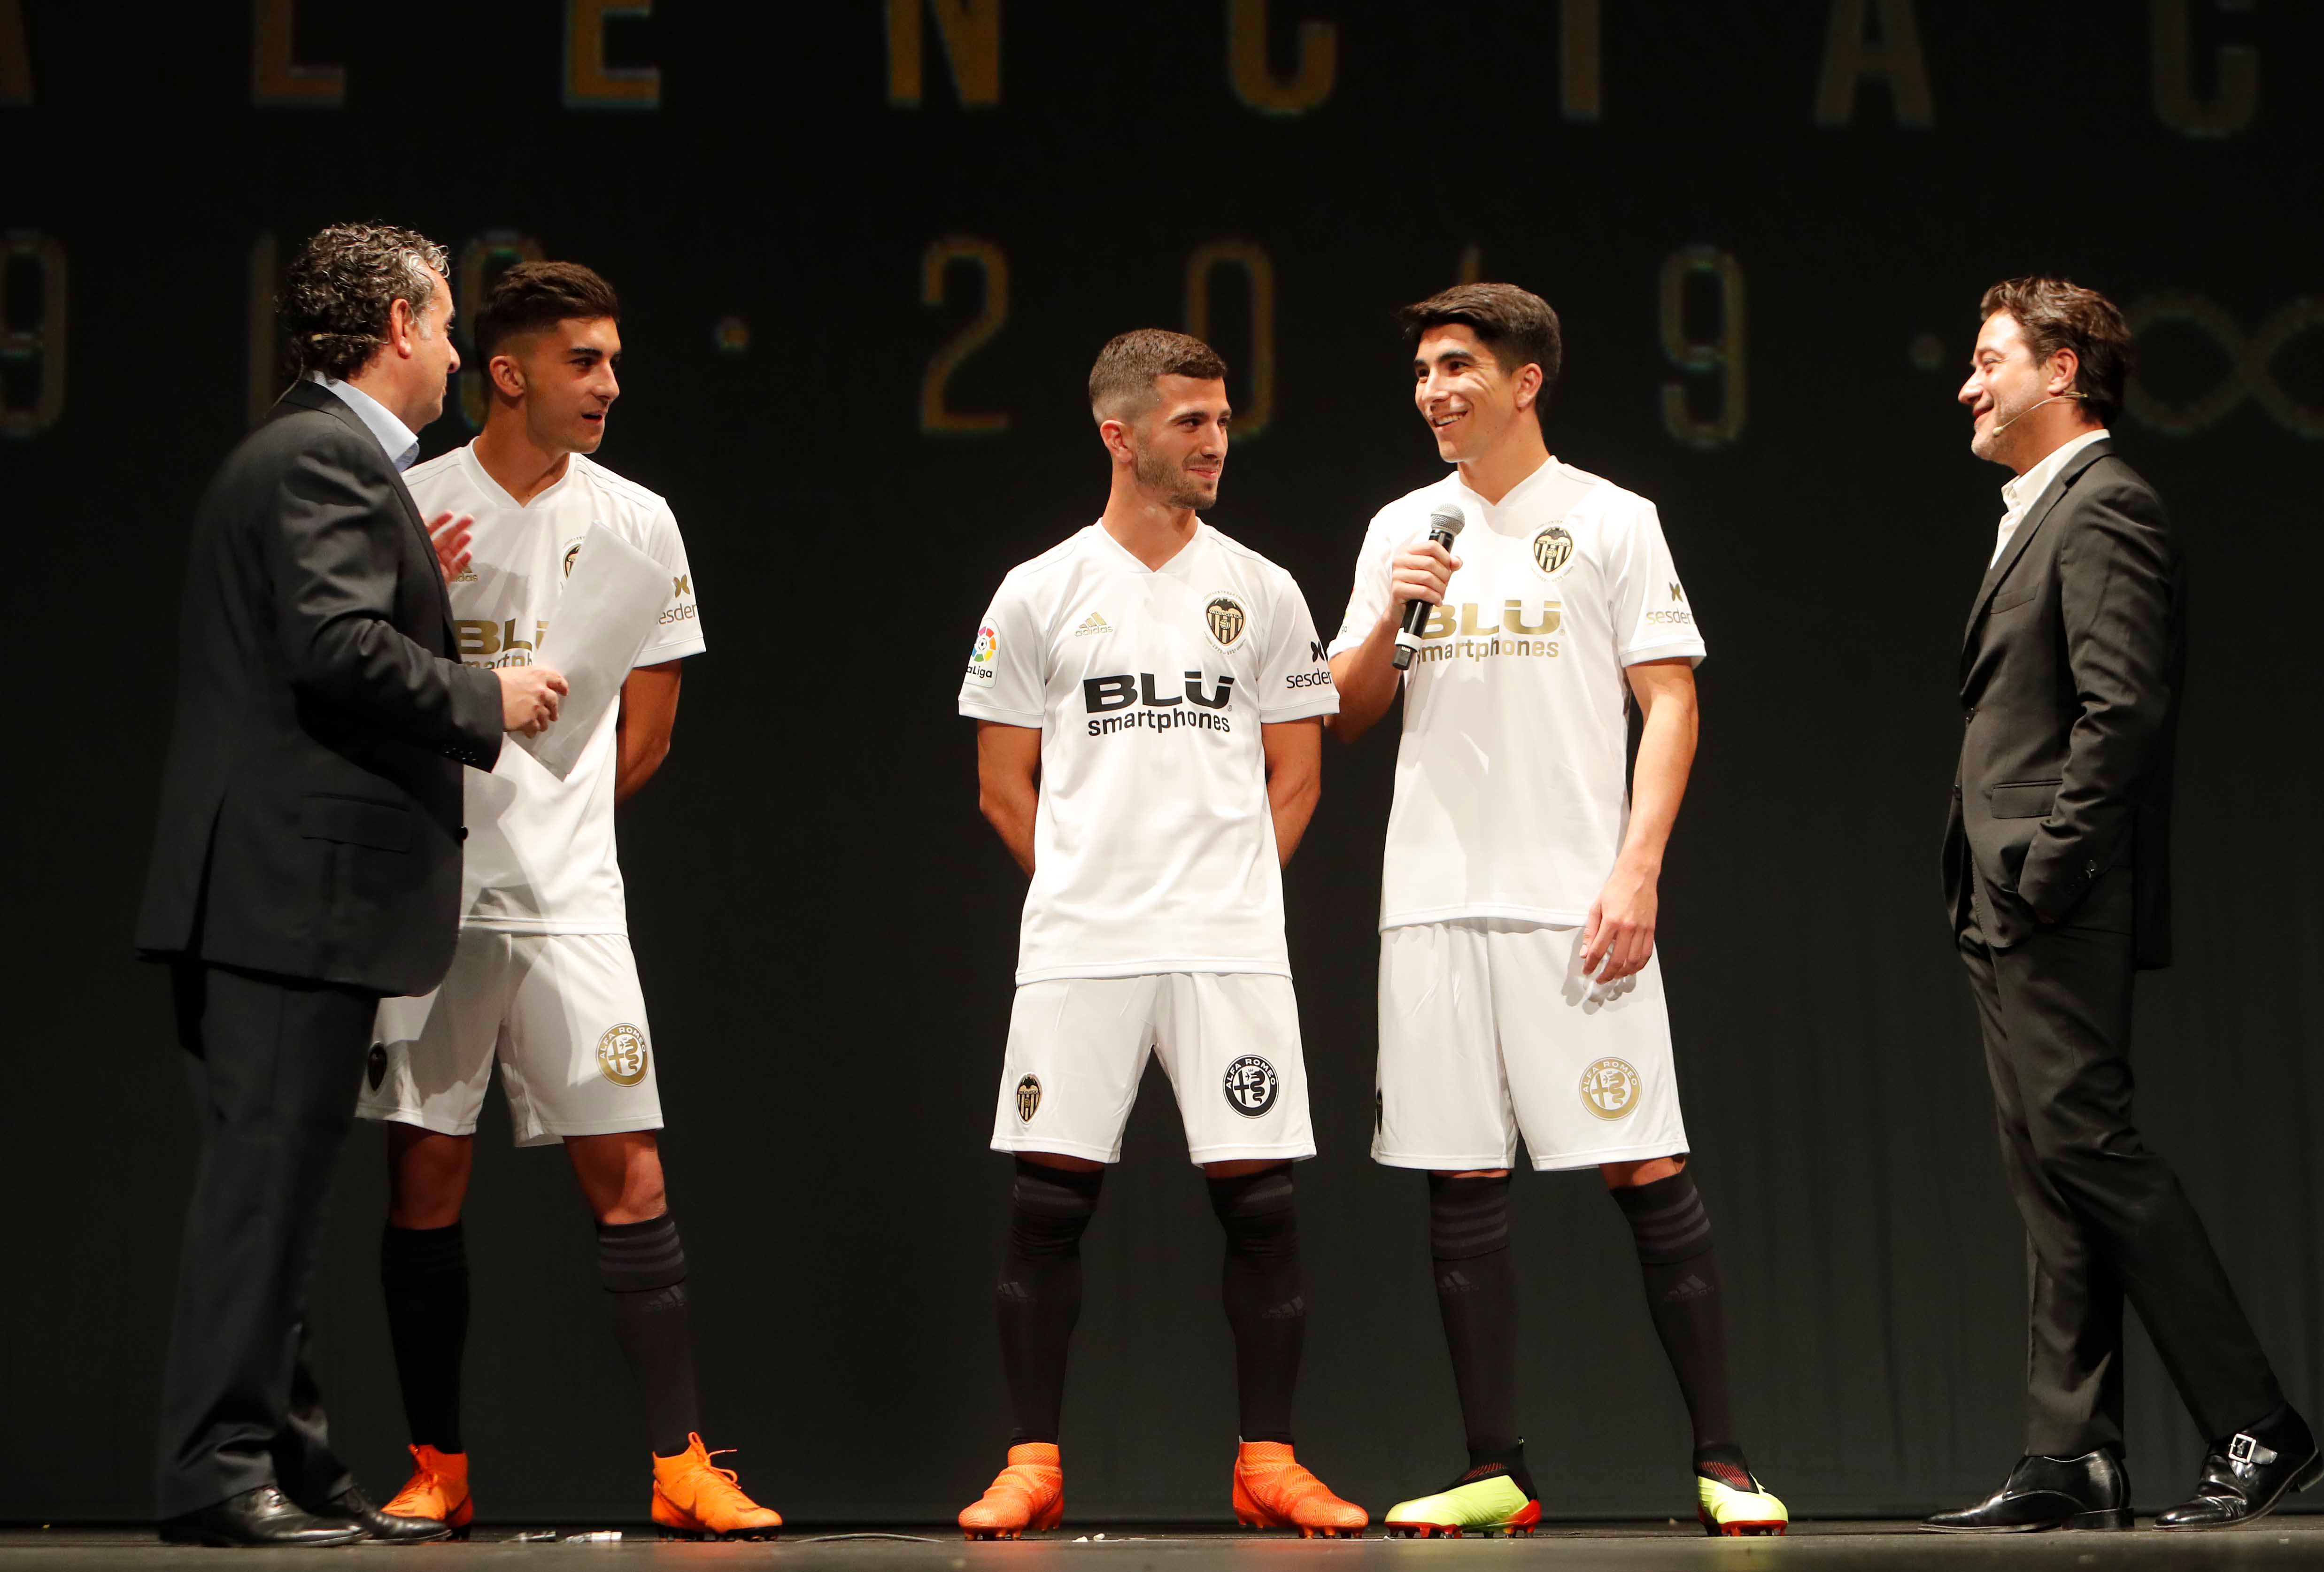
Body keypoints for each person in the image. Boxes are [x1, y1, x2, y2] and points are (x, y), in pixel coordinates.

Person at [1325, 284, 1786, 1539]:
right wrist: (1388, 613)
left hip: (1573, 898)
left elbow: (1673, 702)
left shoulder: (1610, 520)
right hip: (1431, 900)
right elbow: (1347, 709)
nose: (1434, 391)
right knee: (1460, 1172)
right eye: (1422, 370)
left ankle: (1727, 1461)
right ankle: (1496, 1468)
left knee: (1645, 1162)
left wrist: (1636, 868)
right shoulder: (1399, 529)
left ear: (1529, 381)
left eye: (1459, 365)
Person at [135, 223, 568, 1547]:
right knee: (265, 1181)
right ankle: (217, 1467)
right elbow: (331, 644)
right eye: (443, 326)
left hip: (283, 892)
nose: (452, 353)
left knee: (291, 1180)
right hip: (282, 891)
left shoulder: (309, 457)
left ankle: (291, 1453)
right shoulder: (323, 454)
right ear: (396, 326)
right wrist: (481, 695)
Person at [356, 261, 781, 1541]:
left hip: (573, 904)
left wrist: (558, 830)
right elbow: (358, 686)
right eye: (583, 360)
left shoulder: (642, 521)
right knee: (424, 1179)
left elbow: (643, 735)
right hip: (430, 899)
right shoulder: (409, 504)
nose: (608, 383)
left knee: (632, 1176)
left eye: (611, 358)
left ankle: (680, 1463)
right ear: (508, 371)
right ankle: (439, 1466)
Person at [952, 330, 1361, 1541]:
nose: (1219, 438)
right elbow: (1001, 785)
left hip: (1229, 942)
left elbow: (1299, 777)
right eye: (1192, 422)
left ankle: (1268, 1460)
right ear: (1120, 435)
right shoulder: (1039, 591)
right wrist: (1089, 881)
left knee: (1262, 1203)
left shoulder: (1266, 589)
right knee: (1050, 1200)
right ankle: (1033, 1459)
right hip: (1081, 942)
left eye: (1224, 418)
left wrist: (1225, 888)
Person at [1924, 276, 2316, 1535]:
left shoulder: (2106, 508)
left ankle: (2259, 1420)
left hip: (2055, 889)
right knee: (2049, 1164)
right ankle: (2069, 1451)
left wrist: (2050, 863)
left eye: (1992, 360)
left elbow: (2122, 709)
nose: (1969, 385)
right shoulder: (2036, 509)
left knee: (2087, 1142)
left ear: (2064, 373)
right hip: (2005, 889)